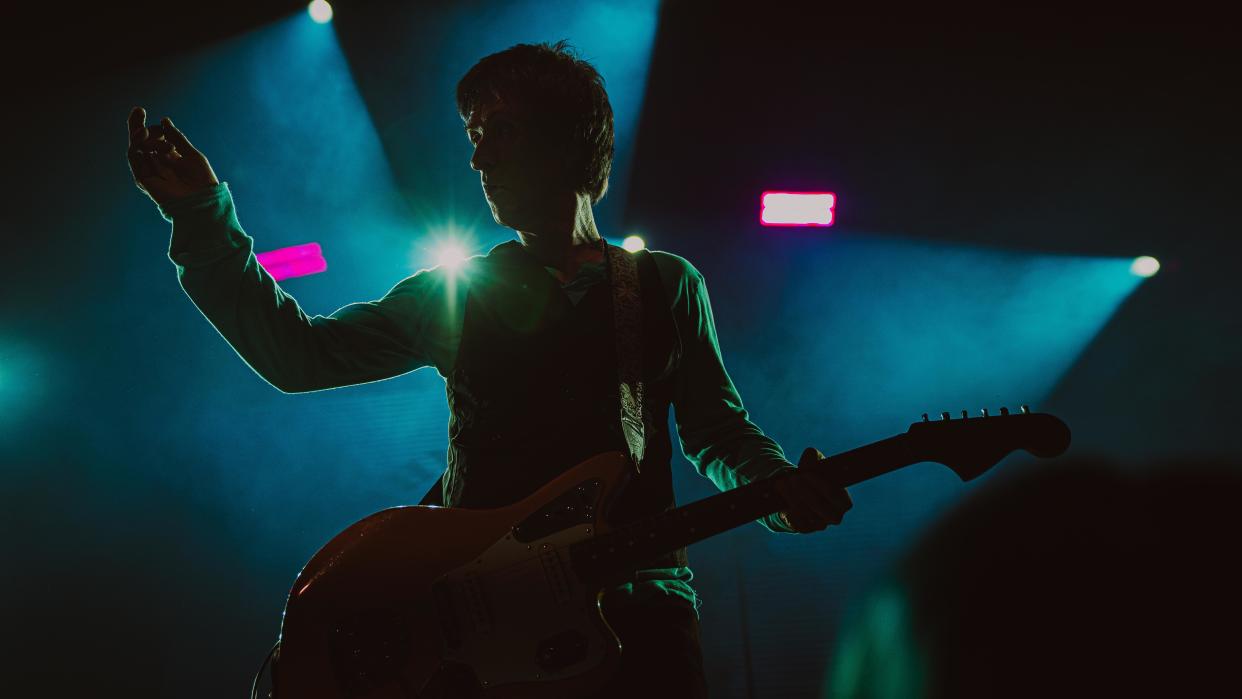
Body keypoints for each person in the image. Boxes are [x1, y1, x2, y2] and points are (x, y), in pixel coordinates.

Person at [127, 41, 852, 697]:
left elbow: (717, 430)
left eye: (499, 130)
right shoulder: (460, 291)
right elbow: (299, 355)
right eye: (474, 139)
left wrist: (777, 491)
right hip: (489, 623)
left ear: (570, 135)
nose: (478, 160)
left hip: (641, 603)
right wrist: (200, 216)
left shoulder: (665, 284)